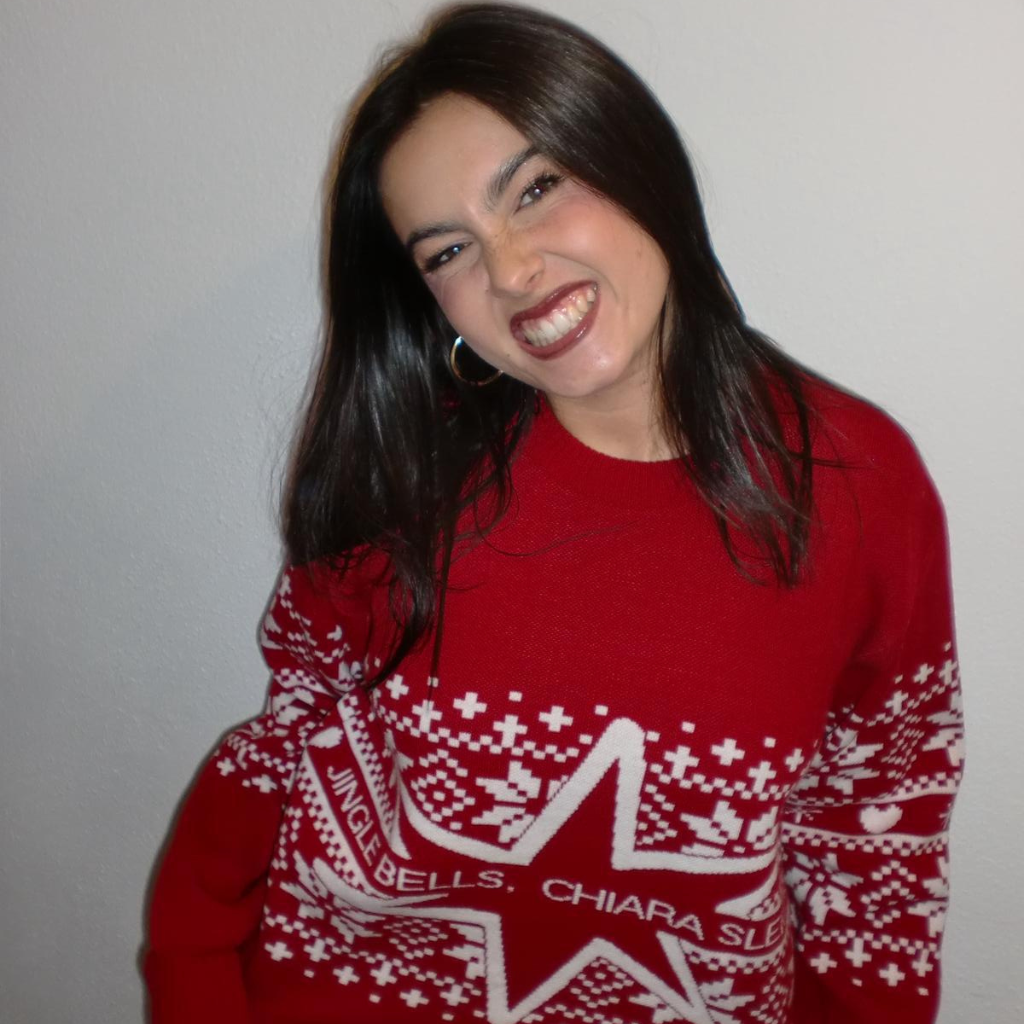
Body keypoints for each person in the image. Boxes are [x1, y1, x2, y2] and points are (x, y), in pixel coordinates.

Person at [143, 4, 964, 1023]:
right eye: (448, 251)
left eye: (535, 189)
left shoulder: (856, 486)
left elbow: (877, 842)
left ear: (634, 160)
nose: (510, 270)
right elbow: (279, 752)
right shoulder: (406, 468)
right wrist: (192, 981)